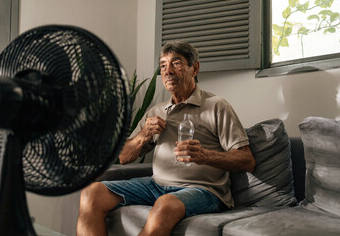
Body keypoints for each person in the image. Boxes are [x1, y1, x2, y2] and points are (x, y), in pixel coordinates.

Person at [76, 41, 255, 236]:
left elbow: (247, 160)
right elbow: (124, 157)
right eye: (163, 65)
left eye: (176, 63)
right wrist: (144, 135)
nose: (167, 71)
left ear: (194, 68)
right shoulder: (156, 111)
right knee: (91, 193)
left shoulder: (216, 106)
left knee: (165, 204)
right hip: (156, 185)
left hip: (204, 190)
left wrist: (204, 156)